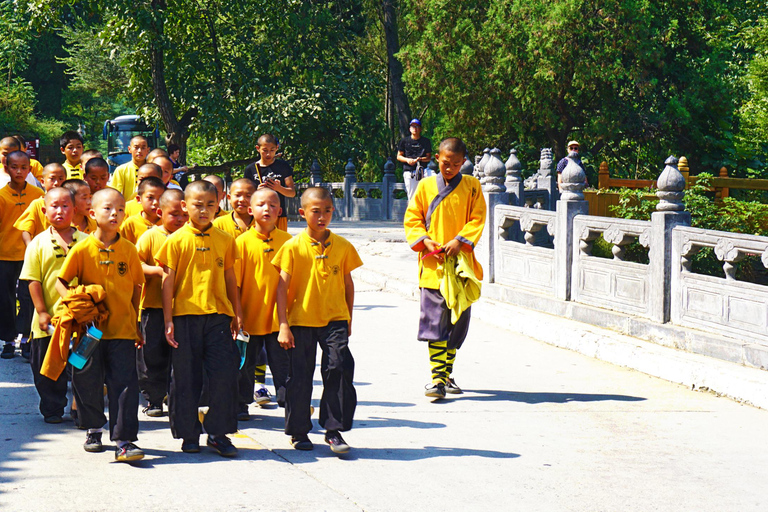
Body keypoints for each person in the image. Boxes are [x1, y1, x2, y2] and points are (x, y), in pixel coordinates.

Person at [56, 187, 146, 462]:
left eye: (120, 209)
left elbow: (136, 287)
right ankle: (93, 428)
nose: (115, 214)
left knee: (126, 384)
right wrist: (76, 304)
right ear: (92, 213)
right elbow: (61, 282)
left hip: (121, 330)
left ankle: (124, 440)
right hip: (88, 332)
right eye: (108, 209)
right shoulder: (82, 248)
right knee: (86, 380)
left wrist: (137, 322)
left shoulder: (129, 249)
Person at [155, 180, 242, 457]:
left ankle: (218, 433)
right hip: (184, 317)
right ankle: (188, 433)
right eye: (197, 205)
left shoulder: (226, 240)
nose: (203, 211)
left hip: (217, 316)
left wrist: (236, 312)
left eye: (210, 205)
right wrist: (168, 319)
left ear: (219, 207)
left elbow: (230, 277)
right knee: (185, 379)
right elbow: (167, 282)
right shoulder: (176, 240)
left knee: (224, 375)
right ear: (184, 206)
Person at [273, 186, 362, 454]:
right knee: (300, 377)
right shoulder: (292, 247)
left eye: (327, 211)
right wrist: (283, 325)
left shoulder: (343, 246)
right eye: (315, 212)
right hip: (301, 321)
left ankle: (334, 430)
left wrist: (348, 317)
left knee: (338, 368)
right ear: (302, 213)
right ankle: (299, 431)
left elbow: (348, 284)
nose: (322, 217)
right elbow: (281, 288)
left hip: (334, 319)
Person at [403, 137, 486, 399]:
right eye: (445, 163)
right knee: (434, 322)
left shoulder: (472, 186)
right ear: (437, 158)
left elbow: (478, 217)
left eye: (455, 164)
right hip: (432, 266)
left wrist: (459, 241)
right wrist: (425, 241)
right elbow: (412, 218)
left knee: (457, 323)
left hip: (461, 266)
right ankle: (437, 379)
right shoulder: (426, 185)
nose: (448, 168)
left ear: (463, 163)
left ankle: (447, 373)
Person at [20, 187, 86, 423]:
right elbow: (33, 279)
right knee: (46, 368)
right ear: (44, 210)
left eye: (66, 206)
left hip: (80, 322)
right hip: (48, 321)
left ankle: (81, 408)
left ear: (75, 210)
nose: (60, 211)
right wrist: (41, 311)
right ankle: (52, 408)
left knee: (82, 366)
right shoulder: (38, 243)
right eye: (54, 206)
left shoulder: (86, 242)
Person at [234, 188, 291, 420]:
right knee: (244, 367)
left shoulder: (288, 242)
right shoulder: (241, 243)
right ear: (250, 210)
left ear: (280, 211)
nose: (266, 209)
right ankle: (240, 405)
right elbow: (235, 285)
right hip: (250, 317)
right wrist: (237, 315)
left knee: (285, 368)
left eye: (272, 205)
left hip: (280, 320)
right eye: (260, 205)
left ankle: (292, 407)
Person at [135, 188, 187, 417]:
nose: (180, 219)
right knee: (152, 356)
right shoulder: (151, 236)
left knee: (180, 357)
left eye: (184, 215)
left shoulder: (189, 236)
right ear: (160, 212)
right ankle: (154, 399)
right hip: (153, 307)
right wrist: (159, 270)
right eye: (174, 214)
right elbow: (136, 265)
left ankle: (177, 398)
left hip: (182, 308)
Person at [0, 151, 45, 359]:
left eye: (24, 167)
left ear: (30, 169)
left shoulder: (38, 194)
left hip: (31, 255)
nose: (19, 171)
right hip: (5, 254)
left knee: (28, 298)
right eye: (14, 167)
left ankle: (27, 338)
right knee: (5, 299)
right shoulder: (1, 195)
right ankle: (8, 340)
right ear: (6, 168)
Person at [243, 134, 295, 231]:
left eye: (272, 150)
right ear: (258, 148)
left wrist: (279, 188)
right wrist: (257, 191)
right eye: (265, 150)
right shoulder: (251, 169)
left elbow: (292, 193)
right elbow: (246, 195)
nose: (268, 154)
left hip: (279, 214)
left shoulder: (283, 166)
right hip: (258, 215)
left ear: (277, 148)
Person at [15, 163, 68, 246]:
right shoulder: (37, 204)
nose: (57, 183)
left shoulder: (70, 203)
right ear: (42, 182)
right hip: (43, 250)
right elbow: (26, 230)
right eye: (52, 179)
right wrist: (30, 247)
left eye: (61, 179)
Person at [120, 176, 164, 244]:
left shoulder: (167, 222)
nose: (156, 202)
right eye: (150, 197)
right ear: (139, 199)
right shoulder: (131, 223)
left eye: (160, 198)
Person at [397, 119, 432, 201]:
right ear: (410, 129)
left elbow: (429, 157)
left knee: (427, 192)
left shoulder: (426, 141)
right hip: (409, 171)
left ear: (420, 129)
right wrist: (407, 160)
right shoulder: (404, 141)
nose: (415, 128)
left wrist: (420, 159)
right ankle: (412, 212)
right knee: (412, 196)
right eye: (413, 126)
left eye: (417, 126)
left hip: (423, 170)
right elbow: (399, 156)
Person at [110, 135, 149, 200]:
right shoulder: (121, 170)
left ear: (148, 150)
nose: (139, 151)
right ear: (129, 149)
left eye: (143, 148)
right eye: (136, 147)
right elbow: (114, 194)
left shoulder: (152, 169)